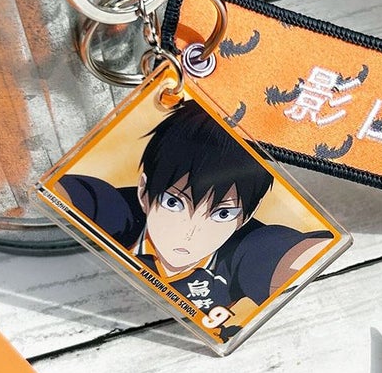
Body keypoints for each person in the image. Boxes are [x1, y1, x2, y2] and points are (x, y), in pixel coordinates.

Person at [57, 100, 332, 341]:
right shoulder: (121, 213)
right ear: (144, 191)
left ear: (246, 216)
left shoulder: (246, 247)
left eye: (222, 214)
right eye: (174, 203)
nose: (191, 232)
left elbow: (291, 253)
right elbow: (76, 194)